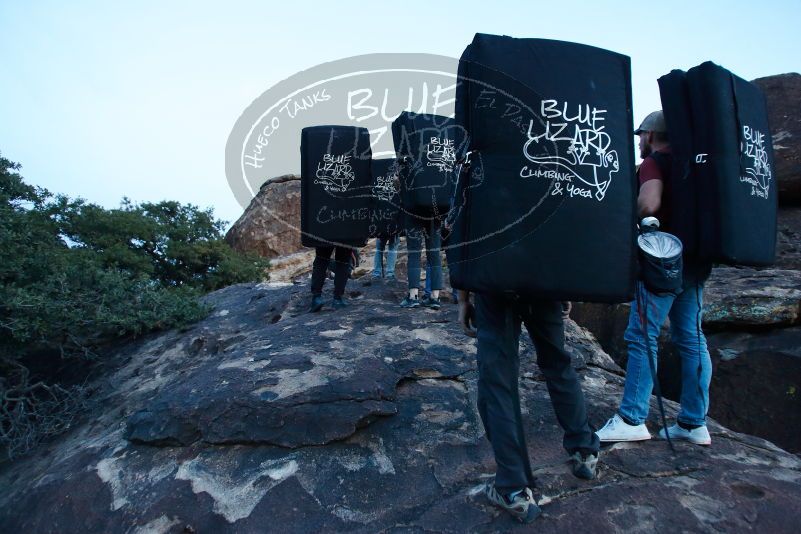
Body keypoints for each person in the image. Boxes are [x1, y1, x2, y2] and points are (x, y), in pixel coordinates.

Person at [596, 110, 713, 446]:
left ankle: (632, 418)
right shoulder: (694, 164)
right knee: (692, 339)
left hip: (662, 263)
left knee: (642, 335)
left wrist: (623, 211)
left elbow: (649, 204)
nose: (638, 142)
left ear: (649, 135)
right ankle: (693, 423)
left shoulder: (655, 162)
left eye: (640, 136)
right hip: (694, 261)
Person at [456, 289, 600, 523]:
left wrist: (462, 299)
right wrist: (565, 285)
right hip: (543, 282)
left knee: (498, 382)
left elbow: (464, 252)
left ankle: (513, 488)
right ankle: (585, 452)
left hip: (495, 286)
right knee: (558, 364)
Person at [400, 220, 443, 310]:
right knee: (435, 254)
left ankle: (413, 297)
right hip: (436, 212)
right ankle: (435, 297)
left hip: (414, 211)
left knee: (414, 253)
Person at [310, 245, 352, 312]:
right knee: (343, 261)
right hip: (346, 236)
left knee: (321, 259)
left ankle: (316, 298)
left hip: (324, 235)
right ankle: (337, 299)